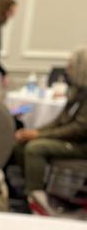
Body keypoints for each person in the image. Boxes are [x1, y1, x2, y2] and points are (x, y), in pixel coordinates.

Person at [14, 47, 87, 205]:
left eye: (71, 65)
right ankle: (28, 187)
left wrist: (39, 136)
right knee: (21, 143)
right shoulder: (77, 91)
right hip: (71, 139)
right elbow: (60, 121)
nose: (67, 69)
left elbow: (79, 129)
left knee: (36, 148)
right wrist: (34, 131)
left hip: (81, 145)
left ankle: (36, 197)